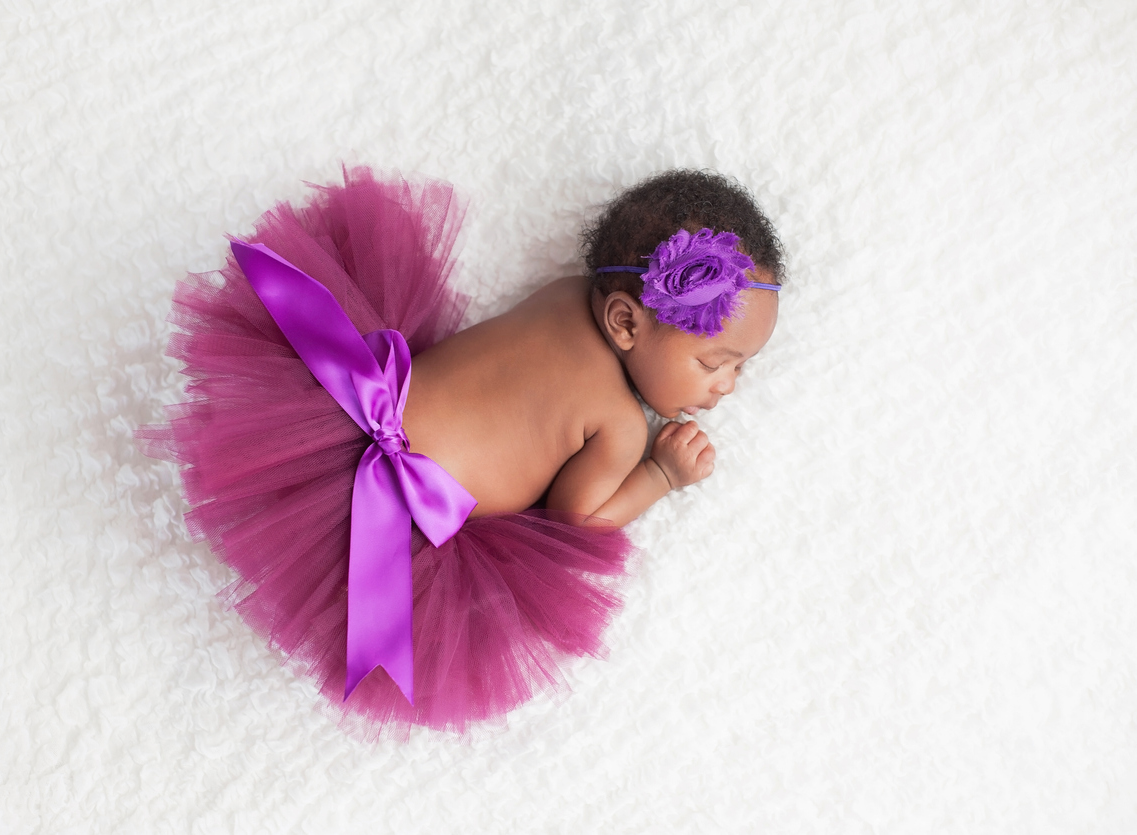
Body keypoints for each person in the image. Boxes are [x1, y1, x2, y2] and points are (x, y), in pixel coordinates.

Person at [138, 166, 784, 738]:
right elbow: (578, 518)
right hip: (401, 516)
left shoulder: (561, 294)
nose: (724, 386)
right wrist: (659, 474)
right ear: (623, 321)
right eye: (713, 361)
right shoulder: (617, 423)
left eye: (739, 369)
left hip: (348, 405)